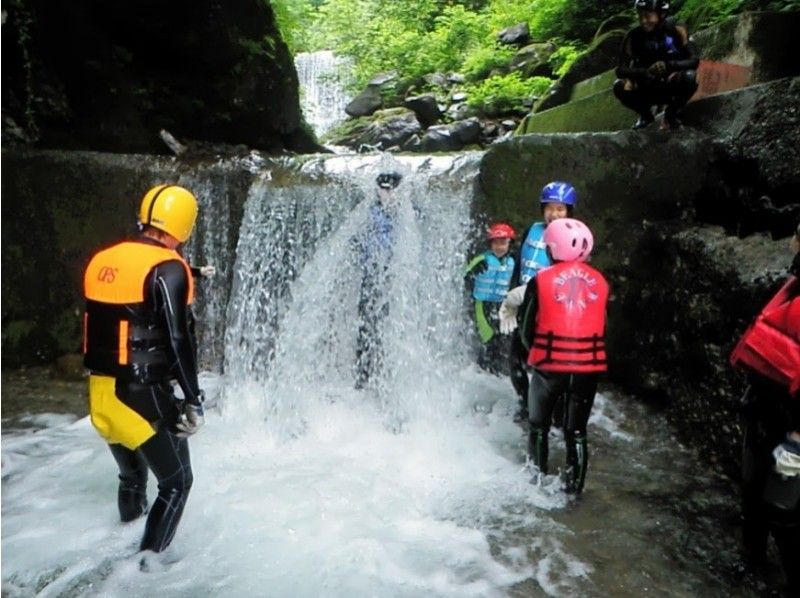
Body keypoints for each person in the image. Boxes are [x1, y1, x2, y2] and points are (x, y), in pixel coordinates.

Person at [83, 184, 205, 554]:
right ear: (184, 223)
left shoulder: (104, 257)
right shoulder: (169, 268)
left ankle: (123, 539)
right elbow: (178, 339)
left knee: (133, 477)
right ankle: (142, 574)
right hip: (142, 396)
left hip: (101, 396)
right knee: (177, 483)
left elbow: (130, 304)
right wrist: (193, 397)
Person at [502, 218, 609, 494]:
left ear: (552, 249)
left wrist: (530, 351)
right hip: (588, 368)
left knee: (538, 426)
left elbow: (526, 325)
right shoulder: (600, 281)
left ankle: (537, 483)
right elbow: (602, 324)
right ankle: (574, 493)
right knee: (577, 432)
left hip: (550, 366)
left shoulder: (541, 280)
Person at [730, 222, 800, 592]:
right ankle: (751, 563)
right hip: (763, 406)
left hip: (792, 421)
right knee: (752, 492)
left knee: (783, 510)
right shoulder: (793, 282)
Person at [509, 181, 578, 423]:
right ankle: (525, 403)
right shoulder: (532, 230)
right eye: (549, 208)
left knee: (549, 366)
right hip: (524, 303)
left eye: (560, 209)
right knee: (515, 360)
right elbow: (519, 264)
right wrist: (511, 295)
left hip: (550, 309)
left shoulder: (574, 235)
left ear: (569, 211)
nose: (554, 214)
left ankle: (555, 413)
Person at [613, 0, 699, 130]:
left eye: (647, 16)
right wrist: (644, 72)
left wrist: (668, 65)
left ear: (661, 14)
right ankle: (645, 116)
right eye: (640, 16)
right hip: (646, 88)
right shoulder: (633, 36)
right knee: (619, 86)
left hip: (671, 84)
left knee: (690, 77)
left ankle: (672, 114)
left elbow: (694, 60)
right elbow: (620, 70)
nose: (643, 21)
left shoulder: (677, 29)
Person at [352, 172, 402, 388]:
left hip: (391, 273)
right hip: (371, 273)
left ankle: (385, 372)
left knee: (386, 320)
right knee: (366, 320)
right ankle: (363, 372)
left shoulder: (403, 211)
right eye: (382, 189)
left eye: (389, 189)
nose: (386, 193)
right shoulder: (370, 210)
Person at [465, 223, 516, 374]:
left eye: (503, 243)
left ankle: (497, 370)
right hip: (483, 303)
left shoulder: (512, 262)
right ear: (490, 244)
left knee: (503, 337)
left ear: (509, 244)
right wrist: (472, 272)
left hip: (502, 305)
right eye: (496, 243)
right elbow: (464, 274)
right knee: (488, 336)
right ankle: (482, 369)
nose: (499, 247)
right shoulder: (482, 259)